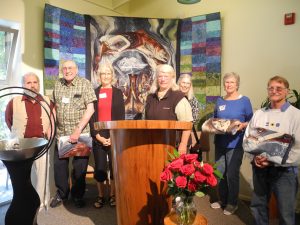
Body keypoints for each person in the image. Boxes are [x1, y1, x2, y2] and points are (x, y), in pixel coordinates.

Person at [243, 76, 300, 225]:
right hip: (260, 169)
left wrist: (272, 160)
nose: (274, 91)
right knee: (258, 206)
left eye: (279, 88)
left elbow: (297, 148)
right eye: (271, 88)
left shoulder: (296, 115)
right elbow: (248, 140)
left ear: (286, 91)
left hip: (284, 173)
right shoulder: (259, 114)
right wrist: (255, 158)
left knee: (286, 213)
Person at [50, 60, 97, 208]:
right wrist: (51, 126)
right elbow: (54, 108)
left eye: (70, 68)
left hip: (81, 134)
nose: (67, 70)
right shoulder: (58, 84)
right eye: (64, 68)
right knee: (59, 168)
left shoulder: (85, 84)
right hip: (61, 135)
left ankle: (77, 195)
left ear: (76, 70)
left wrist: (77, 130)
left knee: (79, 169)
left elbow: (90, 110)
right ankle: (62, 194)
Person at [5, 72, 54, 210]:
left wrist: (49, 130)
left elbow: (52, 119)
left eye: (35, 82)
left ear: (38, 84)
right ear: (23, 85)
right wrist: (19, 135)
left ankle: (40, 201)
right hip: (22, 147)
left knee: (42, 173)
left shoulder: (47, 101)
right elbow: (9, 121)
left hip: (41, 144)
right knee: (24, 174)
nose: (32, 85)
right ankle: (25, 201)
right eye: (28, 82)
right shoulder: (13, 102)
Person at [210, 72, 253, 215]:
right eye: (226, 82)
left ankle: (232, 203)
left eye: (232, 82)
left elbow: (251, 122)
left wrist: (242, 125)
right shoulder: (219, 101)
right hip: (220, 143)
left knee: (232, 174)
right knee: (220, 173)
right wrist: (213, 125)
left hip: (236, 144)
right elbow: (215, 119)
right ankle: (223, 199)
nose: (228, 85)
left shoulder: (244, 101)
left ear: (237, 84)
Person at [90, 63, 125, 208]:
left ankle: (112, 195)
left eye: (108, 73)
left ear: (112, 76)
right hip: (99, 134)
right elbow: (91, 116)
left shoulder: (118, 93)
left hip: (114, 134)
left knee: (114, 167)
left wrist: (114, 136)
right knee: (100, 167)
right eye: (103, 74)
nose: (105, 76)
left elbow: (121, 117)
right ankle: (100, 196)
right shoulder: (94, 92)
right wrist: (97, 136)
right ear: (99, 76)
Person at [145, 64, 193, 155]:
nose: (163, 79)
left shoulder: (178, 97)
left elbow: (187, 124)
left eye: (166, 76)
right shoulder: (150, 97)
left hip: (175, 147)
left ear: (172, 78)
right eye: (160, 76)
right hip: (154, 145)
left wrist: (183, 144)